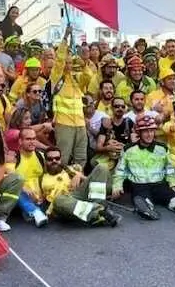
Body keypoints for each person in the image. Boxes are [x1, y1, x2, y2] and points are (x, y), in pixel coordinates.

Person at [112, 115, 175, 219]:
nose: (149, 134)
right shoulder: (128, 150)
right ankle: (146, 208)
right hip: (139, 185)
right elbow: (120, 171)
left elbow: (169, 169)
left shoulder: (162, 148)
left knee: (172, 197)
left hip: (159, 184)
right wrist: (117, 187)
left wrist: (173, 184)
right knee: (141, 197)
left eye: (151, 131)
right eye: (145, 131)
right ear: (139, 133)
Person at [37, 146, 120, 226]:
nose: (54, 161)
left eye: (57, 158)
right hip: (64, 205)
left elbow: (91, 180)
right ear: (45, 161)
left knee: (102, 167)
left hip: (77, 195)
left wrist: (79, 175)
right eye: (50, 159)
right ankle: (99, 212)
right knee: (59, 199)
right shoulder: (41, 177)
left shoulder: (68, 169)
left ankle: (99, 209)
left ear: (60, 159)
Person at [51, 25, 89, 166]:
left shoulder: (77, 78)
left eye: (70, 63)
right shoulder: (56, 78)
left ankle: (77, 183)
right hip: (63, 124)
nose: (68, 65)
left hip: (80, 124)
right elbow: (59, 60)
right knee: (63, 158)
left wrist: (83, 64)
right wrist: (66, 37)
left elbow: (88, 76)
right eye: (66, 63)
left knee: (81, 159)